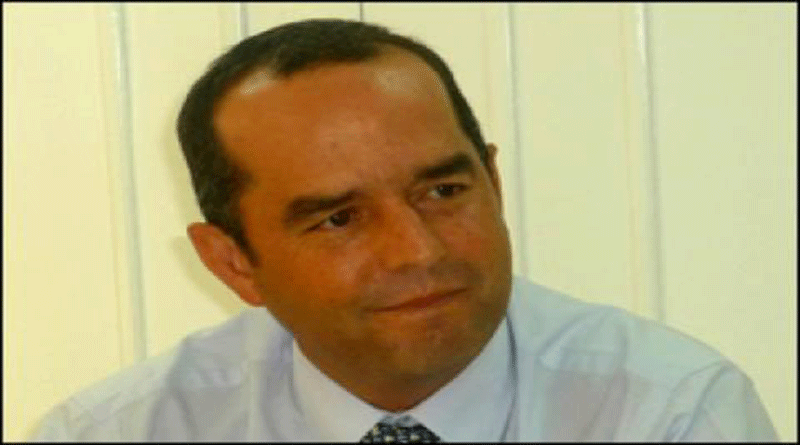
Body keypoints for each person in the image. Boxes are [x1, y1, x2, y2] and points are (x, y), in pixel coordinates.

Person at [32, 18, 778, 442]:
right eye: (338, 218)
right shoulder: (118, 433)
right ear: (233, 263)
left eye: (444, 191)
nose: (419, 250)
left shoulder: (669, 413)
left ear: (494, 183)